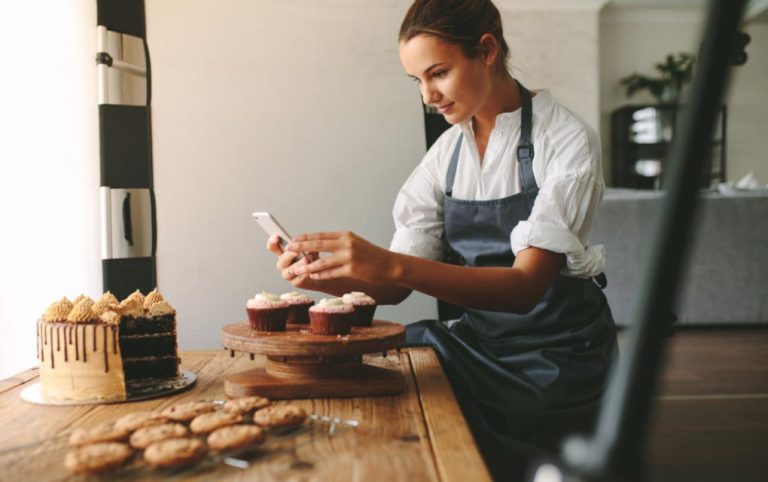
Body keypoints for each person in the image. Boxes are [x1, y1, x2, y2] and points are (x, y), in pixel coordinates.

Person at [267, 0, 617, 479]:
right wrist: (320, 276)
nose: (428, 96)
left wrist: (386, 263)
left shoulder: (567, 140)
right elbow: (394, 289)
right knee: (387, 375)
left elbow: (524, 288)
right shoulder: (447, 153)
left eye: (438, 73)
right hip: (481, 345)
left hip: (556, 360)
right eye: (418, 81)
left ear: (487, 50)